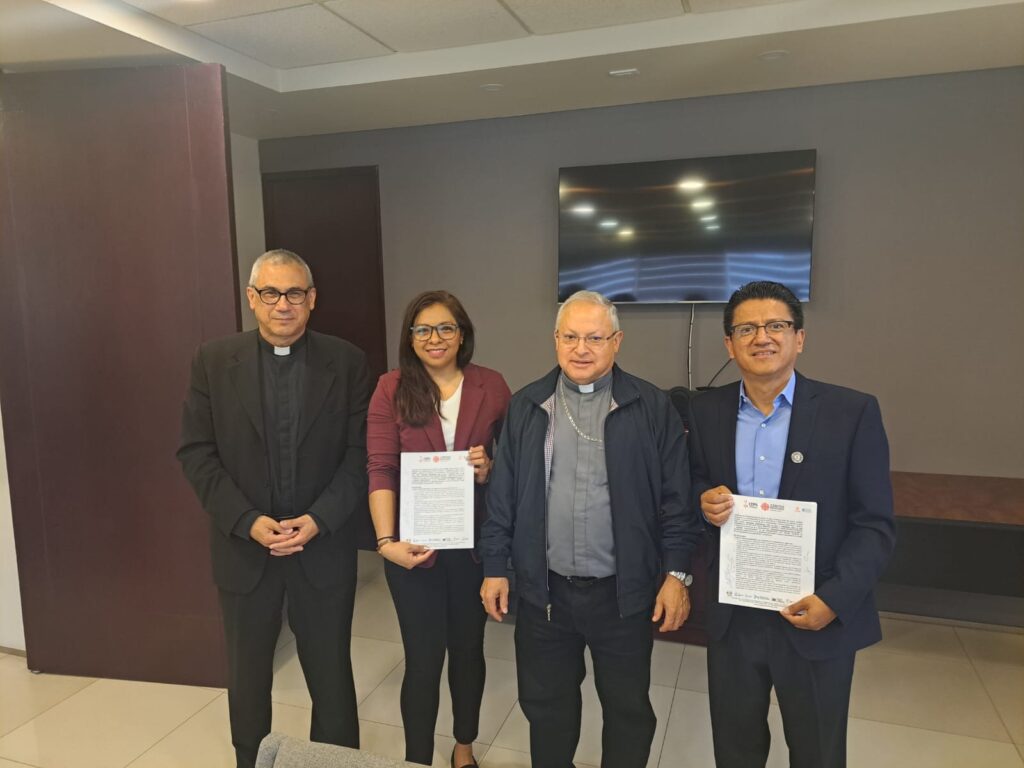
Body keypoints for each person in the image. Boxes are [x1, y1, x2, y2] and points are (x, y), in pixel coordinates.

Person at [480, 290, 702, 768]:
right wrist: (495, 565)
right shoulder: (528, 405)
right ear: (555, 339)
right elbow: (502, 497)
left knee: (627, 710)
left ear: (616, 342)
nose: (581, 349)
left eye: (595, 338)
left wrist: (676, 574)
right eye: (570, 337)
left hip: (622, 596)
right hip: (545, 595)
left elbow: (677, 501)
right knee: (546, 708)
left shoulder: (650, 406)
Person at [687, 280, 896, 768]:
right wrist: (702, 499)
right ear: (729, 344)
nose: (762, 337)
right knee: (735, 749)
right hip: (735, 616)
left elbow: (875, 525)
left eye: (776, 325)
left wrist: (833, 600)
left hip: (814, 613)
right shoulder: (705, 410)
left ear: (799, 338)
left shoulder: (852, 412)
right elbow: (693, 478)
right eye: (747, 329)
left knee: (818, 750)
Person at [177, 249, 369, 768]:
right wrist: (246, 521)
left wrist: (320, 518)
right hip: (244, 551)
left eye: (294, 293)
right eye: (270, 293)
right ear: (252, 298)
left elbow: (360, 454)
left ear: (312, 299)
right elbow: (196, 452)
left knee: (331, 676)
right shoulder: (213, 360)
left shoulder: (347, 361)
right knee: (247, 678)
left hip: (321, 548)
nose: (283, 304)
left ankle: (333, 763)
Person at [367, 290, 511, 767]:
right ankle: (417, 759)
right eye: (423, 329)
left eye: (446, 328)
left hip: (473, 550)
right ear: (410, 338)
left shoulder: (492, 386)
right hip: (412, 551)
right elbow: (381, 468)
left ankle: (463, 748)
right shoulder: (391, 388)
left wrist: (489, 469)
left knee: (468, 652)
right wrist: (385, 542)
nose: (435, 338)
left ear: (462, 334)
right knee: (423, 661)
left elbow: (514, 468)